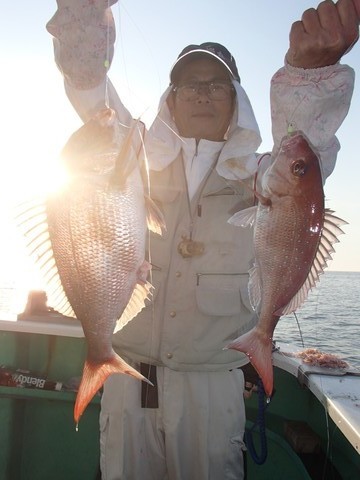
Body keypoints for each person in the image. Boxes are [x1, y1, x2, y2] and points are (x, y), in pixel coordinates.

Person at [46, 1, 360, 479]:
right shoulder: (132, 158)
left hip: (212, 389)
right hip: (125, 380)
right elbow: (90, 89)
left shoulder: (261, 175)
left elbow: (305, 156)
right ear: (170, 97)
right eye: (189, 83)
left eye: (216, 84)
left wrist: (311, 77)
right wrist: (83, 18)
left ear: (237, 98)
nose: (202, 94)